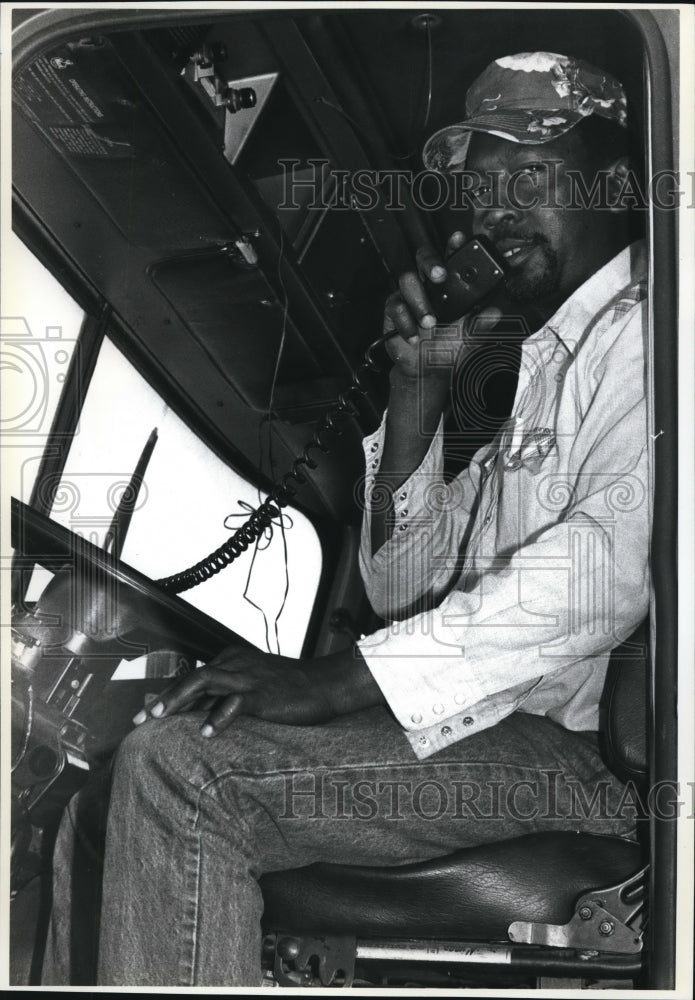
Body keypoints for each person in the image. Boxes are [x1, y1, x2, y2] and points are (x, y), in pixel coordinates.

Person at [43, 52, 649, 986]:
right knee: (136, 769)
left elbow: (601, 575)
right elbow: (410, 588)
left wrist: (333, 684)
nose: (492, 212)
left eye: (528, 175)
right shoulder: (546, 365)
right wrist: (415, 394)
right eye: (478, 190)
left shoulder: (659, 335)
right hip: (484, 730)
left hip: (577, 766)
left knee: (181, 771)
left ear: (613, 179)